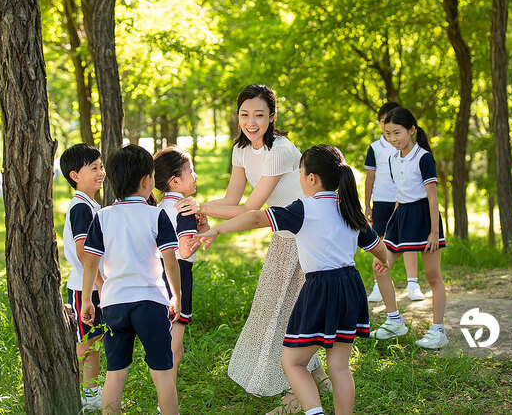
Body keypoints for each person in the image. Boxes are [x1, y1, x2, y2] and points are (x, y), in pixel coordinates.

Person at [191, 145, 390, 415]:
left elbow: (255, 218)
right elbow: (377, 246)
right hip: (350, 287)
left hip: (320, 288)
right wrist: (384, 260)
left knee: (292, 362)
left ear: (311, 178)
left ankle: (313, 411)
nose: (300, 179)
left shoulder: (304, 208)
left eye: (300, 173)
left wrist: (217, 229)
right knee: (339, 368)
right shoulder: (350, 209)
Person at [175, 84, 328, 412]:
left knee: (288, 310)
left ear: (272, 117)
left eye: (259, 114)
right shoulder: (241, 150)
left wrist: (202, 209)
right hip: (283, 237)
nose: (251, 121)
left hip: (306, 236)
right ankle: (317, 376)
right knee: (275, 307)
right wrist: (200, 209)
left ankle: (295, 396)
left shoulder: (281, 150)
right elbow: (232, 199)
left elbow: (251, 208)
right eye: (245, 114)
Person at [81, 144, 182, 414]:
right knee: (162, 373)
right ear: (147, 180)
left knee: (115, 373)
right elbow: (170, 261)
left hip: (113, 304)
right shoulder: (156, 214)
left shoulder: (102, 217)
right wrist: (177, 296)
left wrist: (86, 301)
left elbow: (90, 262)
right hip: (150, 302)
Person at [370, 108, 448, 349]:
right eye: (387, 133)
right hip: (400, 216)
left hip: (423, 217)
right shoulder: (392, 159)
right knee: (380, 267)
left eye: (397, 132)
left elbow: (432, 198)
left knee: (433, 276)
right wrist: (394, 220)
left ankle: (438, 330)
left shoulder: (424, 157)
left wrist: (434, 232)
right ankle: (394, 321)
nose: (393, 138)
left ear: (412, 130)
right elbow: (399, 194)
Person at [153, 146, 209, 383]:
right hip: (178, 272)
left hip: (156, 272)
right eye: (191, 171)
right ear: (175, 180)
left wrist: (203, 228)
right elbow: (185, 250)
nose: (195, 176)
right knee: (176, 341)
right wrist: (203, 235)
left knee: (163, 335)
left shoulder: (157, 207)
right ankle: (166, 395)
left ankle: (160, 391)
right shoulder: (185, 208)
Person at [59, 143, 106, 410]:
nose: (101, 173)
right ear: (75, 175)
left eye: (101, 167)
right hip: (83, 289)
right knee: (85, 344)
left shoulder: (90, 205)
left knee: (94, 342)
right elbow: (83, 252)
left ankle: (91, 394)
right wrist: (100, 284)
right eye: (94, 168)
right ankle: (68, 393)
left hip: (93, 288)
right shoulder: (80, 207)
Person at [364, 102, 425, 302]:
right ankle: (377, 285)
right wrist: (367, 204)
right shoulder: (375, 147)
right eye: (383, 122)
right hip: (382, 200)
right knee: (381, 241)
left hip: (405, 201)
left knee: (409, 242)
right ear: (381, 123)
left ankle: (413, 283)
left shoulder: (408, 147)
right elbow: (370, 178)